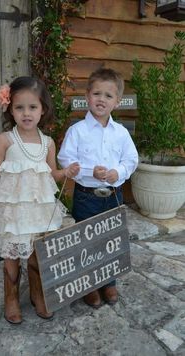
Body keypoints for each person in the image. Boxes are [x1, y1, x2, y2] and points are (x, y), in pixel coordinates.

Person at [0, 76, 80, 324]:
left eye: (32, 107)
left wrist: (65, 173)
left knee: (37, 254)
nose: (26, 113)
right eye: (19, 107)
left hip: (38, 211)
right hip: (13, 211)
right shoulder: (5, 140)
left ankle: (37, 293)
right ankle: (11, 297)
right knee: (12, 255)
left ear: (42, 109)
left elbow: (52, 173)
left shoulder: (47, 143)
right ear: (10, 109)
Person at [58, 68, 138, 308]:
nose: (102, 99)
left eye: (108, 95)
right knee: (87, 242)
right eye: (97, 93)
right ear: (87, 96)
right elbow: (65, 159)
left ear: (117, 102)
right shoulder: (77, 131)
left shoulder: (121, 134)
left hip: (113, 195)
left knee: (110, 239)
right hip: (86, 197)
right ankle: (89, 284)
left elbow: (131, 160)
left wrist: (118, 173)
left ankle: (109, 282)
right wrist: (87, 171)